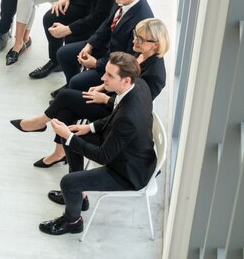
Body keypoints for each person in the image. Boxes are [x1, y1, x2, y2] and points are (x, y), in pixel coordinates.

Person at [11, 18, 169, 168]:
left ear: (155, 45)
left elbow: (137, 105)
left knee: (65, 96)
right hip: (110, 100)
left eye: (140, 39)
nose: (134, 40)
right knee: (66, 113)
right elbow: (120, 76)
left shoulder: (155, 75)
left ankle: (40, 123)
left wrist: (105, 98)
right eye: (135, 35)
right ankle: (59, 154)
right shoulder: (139, 53)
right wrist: (101, 87)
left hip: (115, 115)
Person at [39, 52, 157, 236]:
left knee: (68, 182)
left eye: (110, 75)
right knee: (73, 135)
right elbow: (115, 114)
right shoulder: (138, 85)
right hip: (126, 149)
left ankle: (73, 221)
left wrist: (70, 137)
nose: (103, 78)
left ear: (125, 80)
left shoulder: (129, 117)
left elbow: (103, 156)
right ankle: (80, 195)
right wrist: (90, 127)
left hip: (128, 172)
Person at [57, 0, 154, 92]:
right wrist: (90, 45)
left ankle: (76, 89)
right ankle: (72, 88)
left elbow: (128, 57)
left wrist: (97, 64)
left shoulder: (143, 19)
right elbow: (106, 25)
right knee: (63, 54)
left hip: (115, 63)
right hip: (105, 47)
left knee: (77, 82)